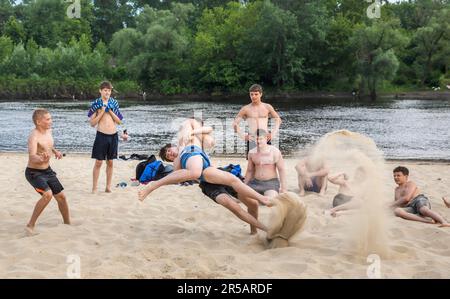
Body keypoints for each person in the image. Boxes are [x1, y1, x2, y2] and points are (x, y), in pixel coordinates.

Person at [138, 118, 272, 207]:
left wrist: (192, 132)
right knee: (223, 183)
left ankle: (256, 196)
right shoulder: (180, 155)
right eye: (169, 157)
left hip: (204, 165)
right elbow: (179, 175)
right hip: (200, 169)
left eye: (168, 151)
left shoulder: (184, 137)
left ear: (171, 145)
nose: (170, 154)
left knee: (230, 179)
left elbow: (208, 134)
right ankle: (252, 197)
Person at [25, 109, 70, 234]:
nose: (51, 121)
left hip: (48, 171)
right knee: (47, 195)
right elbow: (32, 156)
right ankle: (30, 225)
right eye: (48, 119)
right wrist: (40, 158)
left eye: (51, 118)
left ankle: (67, 223)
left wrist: (55, 152)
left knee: (61, 197)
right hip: (34, 172)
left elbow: (48, 145)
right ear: (39, 122)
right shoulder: (33, 136)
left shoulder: (49, 131)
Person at [88, 81, 123, 193]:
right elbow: (92, 123)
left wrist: (111, 111)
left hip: (113, 136)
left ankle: (108, 186)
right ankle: (94, 187)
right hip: (101, 135)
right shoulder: (96, 103)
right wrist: (102, 111)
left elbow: (119, 121)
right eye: (105, 90)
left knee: (110, 162)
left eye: (109, 90)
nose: (107, 92)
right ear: (100, 91)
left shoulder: (114, 103)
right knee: (98, 162)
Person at [199, 177, 267, 235]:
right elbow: (195, 173)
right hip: (208, 184)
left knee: (253, 204)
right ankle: (267, 230)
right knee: (234, 206)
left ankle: (254, 231)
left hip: (224, 177)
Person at [233, 84, 282, 158]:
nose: (253, 96)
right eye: (251, 94)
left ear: (261, 94)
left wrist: (273, 133)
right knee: (252, 163)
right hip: (252, 138)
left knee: (267, 161)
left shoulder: (267, 107)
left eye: (256, 94)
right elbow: (235, 124)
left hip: (265, 138)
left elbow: (278, 120)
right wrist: (243, 136)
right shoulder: (246, 109)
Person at [243, 129, 287, 199]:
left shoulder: (274, 151)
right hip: (255, 182)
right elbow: (250, 171)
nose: (258, 141)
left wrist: (284, 188)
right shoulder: (251, 152)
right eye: (256, 139)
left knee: (270, 201)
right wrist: (244, 185)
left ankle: (263, 197)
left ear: (266, 138)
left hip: (271, 183)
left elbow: (281, 170)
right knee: (243, 197)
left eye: (260, 139)